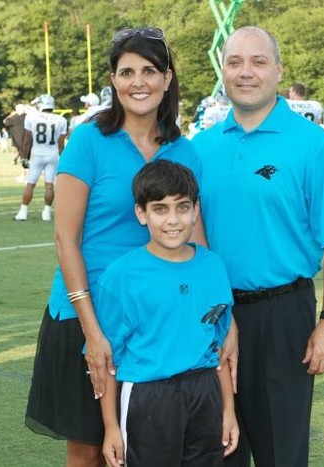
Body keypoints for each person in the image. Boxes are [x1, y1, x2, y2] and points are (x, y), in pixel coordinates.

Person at [24, 27, 209, 467]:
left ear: (167, 79)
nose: (138, 82)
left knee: (147, 446)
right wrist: (92, 330)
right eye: (126, 72)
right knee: (89, 451)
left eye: (149, 70)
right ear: (113, 80)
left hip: (155, 321)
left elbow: (197, 248)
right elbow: (65, 240)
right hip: (83, 316)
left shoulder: (185, 152)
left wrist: (218, 321)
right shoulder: (89, 140)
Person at [191, 26, 324, 467]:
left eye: (258, 62)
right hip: (210, 314)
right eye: (235, 62)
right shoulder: (198, 149)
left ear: (279, 70)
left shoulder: (311, 144)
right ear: (222, 71)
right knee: (215, 450)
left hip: (282, 315)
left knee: (279, 454)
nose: (246, 72)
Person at [94, 160, 238, 467]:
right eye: (160, 209)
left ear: (195, 210)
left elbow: (220, 347)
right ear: (141, 213)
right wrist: (110, 428)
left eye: (182, 207)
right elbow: (107, 363)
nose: (173, 220)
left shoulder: (212, 266)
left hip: (205, 393)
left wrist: (228, 409)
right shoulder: (121, 276)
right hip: (149, 398)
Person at [13, 94, 68, 222]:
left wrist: (24, 158)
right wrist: (63, 159)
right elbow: (61, 145)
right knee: (49, 185)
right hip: (53, 155)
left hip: (37, 154)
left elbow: (27, 141)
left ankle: (23, 212)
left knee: (30, 184)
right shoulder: (61, 120)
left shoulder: (31, 117)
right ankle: (47, 212)